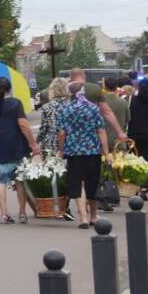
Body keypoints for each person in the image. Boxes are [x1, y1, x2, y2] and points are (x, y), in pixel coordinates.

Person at [0, 77, 41, 225]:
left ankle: (4, 213)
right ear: (10, 89)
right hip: (16, 146)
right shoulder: (16, 103)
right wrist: (33, 143)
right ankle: (22, 213)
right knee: (20, 180)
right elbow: (23, 124)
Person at [57, 82, 110, 228]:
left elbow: (61, 133)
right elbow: (101, 130)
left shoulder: (65, 109)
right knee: (92, 183)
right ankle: (93, 216)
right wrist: (106, 152)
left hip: (73, 152)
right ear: (83, 92)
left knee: (77, 183)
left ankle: (83, 217)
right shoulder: (93, 108)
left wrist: (61, 150)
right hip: (92, 151)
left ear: (69, 93)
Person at [68, 68, 124, 141]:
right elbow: (106, 112)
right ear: (84, 75)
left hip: (70, 135)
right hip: (91, 134)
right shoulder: (94, 88)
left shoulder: (65, 89)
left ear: (71, 77)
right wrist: (119, 132)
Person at [37, 78, 70, 156]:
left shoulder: (46, 107)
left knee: (51, 163)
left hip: (50, 145)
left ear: (52, 90)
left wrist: (36, 142)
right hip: (69, 144)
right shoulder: (71, 105)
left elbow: (43, 129)